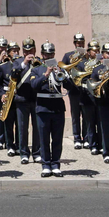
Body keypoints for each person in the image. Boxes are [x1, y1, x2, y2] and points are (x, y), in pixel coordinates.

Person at [28, 41, 77, 177]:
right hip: (43, 108)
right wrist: (46, 74)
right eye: (46, 54)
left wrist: (62, 74)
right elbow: (33, 85)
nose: (48, 56)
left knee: (57, 138)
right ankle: (45, 165)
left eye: (51, 54)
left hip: (57, 108)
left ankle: (55, 164)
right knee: (43, 139)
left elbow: (70, 86)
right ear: (42, 55)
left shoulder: (60, 68)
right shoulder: (36, 69)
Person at [14, 38, 42, 164]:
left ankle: (37, 153)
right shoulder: (18, 62)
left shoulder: (39, 62)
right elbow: (13, 75)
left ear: (35, 49)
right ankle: (24, 153)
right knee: (22, 128)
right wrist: (24, 63)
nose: (28, 52)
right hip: (22, 99)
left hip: (36, 99)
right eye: (26, 50)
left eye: (30, 49)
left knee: (37, 128)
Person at [62, 34, 88, 149]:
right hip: (74, 89)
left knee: (86, 115)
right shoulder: (68, 56)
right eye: (78, 43)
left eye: (81, 43)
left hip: (85, 89)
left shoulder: (86, 56)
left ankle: (86, 138)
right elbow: (63, 70)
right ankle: (77, 138)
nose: (80, 44)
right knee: (75, 114)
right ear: (74, 43)